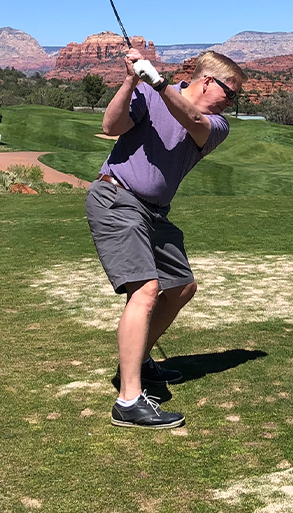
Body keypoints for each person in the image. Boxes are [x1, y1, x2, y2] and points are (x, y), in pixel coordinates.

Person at [83, 46, 244, 429]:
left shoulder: (214, 124)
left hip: (155, 212)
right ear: (207, 81)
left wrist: (158, 82)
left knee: (182, 287)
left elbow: (190, 117)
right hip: (116, 197)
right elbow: (111, 127)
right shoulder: (147, 94)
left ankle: (137, 361)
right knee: (146, 289)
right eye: (231, 93)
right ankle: (129, 400)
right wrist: (130, 80)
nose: (233, 102)